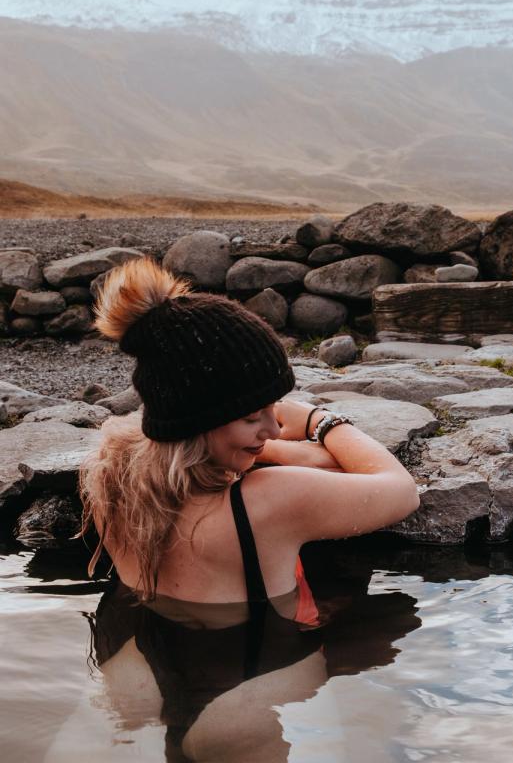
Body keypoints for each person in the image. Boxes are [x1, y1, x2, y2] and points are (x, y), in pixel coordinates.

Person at [79, 256, 419, 761]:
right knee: (384, 638)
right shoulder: (266, 502)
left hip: (137, 677)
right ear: (201, 422)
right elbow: (400, 490)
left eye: (273, 410)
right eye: (253, 416)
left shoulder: (111, 475)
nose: (274, 427)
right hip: (244, 702)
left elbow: (191, 447)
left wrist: (265, 445)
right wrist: (321, 422)